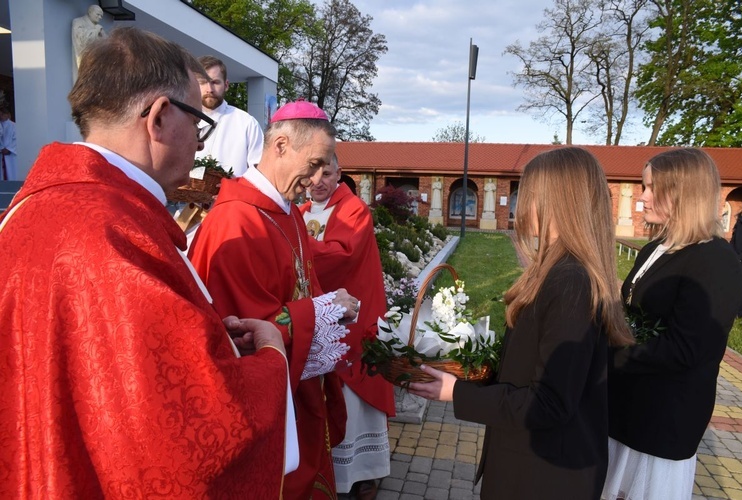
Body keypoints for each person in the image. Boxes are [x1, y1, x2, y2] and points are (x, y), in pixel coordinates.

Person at [0, 27, 294, 498]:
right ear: (158, 118)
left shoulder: (26, 210)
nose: (200, 144)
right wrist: (269, 357)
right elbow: (192, 439)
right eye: (198, 122)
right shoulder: (116, 235)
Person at [408, 147, 634, 499]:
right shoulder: (557, 271)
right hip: (533, 463)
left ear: (555, 201)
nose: (520, 206)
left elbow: (550, 402)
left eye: (528, 194)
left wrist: (458, 393)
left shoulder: (570, 281)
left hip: (547, 475)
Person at [189, 99, 359, 499]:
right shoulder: (235, 221)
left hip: (299, 388)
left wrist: (332, 308)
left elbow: (305, 287)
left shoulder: (288, 212)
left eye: (326, 166)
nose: (319, 178)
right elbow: (240, 331)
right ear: (280, 145)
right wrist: (324, 311)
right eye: (315, 163)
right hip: (268, 403)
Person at [603, 148, 742, 500]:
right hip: (628, 406)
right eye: (643, 185)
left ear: (684, 193)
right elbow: (633, 310)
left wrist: (608, 355)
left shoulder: (714, 260)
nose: (643, 196)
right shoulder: (657, 247)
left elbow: (688, 349)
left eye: (652, 188)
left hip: (663, 417)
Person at [300, 154, 396, 499]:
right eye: (312, 172)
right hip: (324, 314)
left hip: (355, 315)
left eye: (327, 172)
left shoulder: (353, 208)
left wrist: (294, 241)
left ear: (339, 173)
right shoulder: (302, 211)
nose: (319, 180)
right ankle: (330, 470)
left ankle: (365, 472)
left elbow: (340, 255)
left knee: (356, 395)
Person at [194, 55, 264, 177]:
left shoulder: (246, 123)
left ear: (226, 85)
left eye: (215, 82)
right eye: (203, 82)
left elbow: (260, 171)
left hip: (235, 195)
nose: (209, 89)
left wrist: (233, 187)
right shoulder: (183, 120)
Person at [72, 5, 106, 82]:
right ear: (90, 12)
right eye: (98, 14)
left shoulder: (98, 27)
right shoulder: (78, 22)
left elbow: (106, 44)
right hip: (84, 61)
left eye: (101, 16)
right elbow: (83, 40)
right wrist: (96, 30)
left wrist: (102, 34)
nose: (100, 17)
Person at [0, 105, 16, 180]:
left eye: (3, 114)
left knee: (11, 172)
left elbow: (16, 139)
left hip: (11, 154)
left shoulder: (14, 125)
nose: (1, 116)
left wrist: (9, 149)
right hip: (1, 152)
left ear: (8, 114)